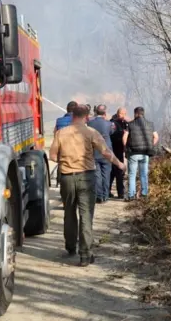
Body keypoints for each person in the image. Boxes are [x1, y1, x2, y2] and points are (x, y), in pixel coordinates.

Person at [49, 105, 125, 266]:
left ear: (72, 116)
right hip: (86, 177)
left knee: (69, 213)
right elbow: (105, 152)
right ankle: (85, 254)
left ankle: (70, 247)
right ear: (87, 117)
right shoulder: (91, 132)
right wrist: (119, 164)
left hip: (67, 178)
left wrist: (66, 160)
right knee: (86, 215)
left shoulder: (61, 133)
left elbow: (53, 156)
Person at [122, 106, 158, 201]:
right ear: (143, 113)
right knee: (144, 174)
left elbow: (124, 137)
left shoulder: (130, 124)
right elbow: (156, 137)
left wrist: (126, 147)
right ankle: (144, 194)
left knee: (132, 175)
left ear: (136, 114)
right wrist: (150, 145)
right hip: (145, 153)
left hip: (133, 153)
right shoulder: (150, 124)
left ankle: (131, 195)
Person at [87, 104, 114, 204]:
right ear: (105, 113)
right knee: (106, 174)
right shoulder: (109, 124)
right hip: (107, 151)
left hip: (95, 151)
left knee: (97, 175)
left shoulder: (90, 123)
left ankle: (99, 196)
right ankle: (105, 195)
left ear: (96, 112)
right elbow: (112, 132)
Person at [109, 108, 129, 199]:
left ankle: (120, 193)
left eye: (125, 114)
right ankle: (109, 191)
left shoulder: (125, 123)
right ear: (118, 113)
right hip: (113, 149)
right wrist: (121, 134)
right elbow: (112, 135)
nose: (123, 115)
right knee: (113, 172)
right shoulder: (112, 123)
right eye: (122, 113)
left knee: (119, 172)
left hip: (120, 150)